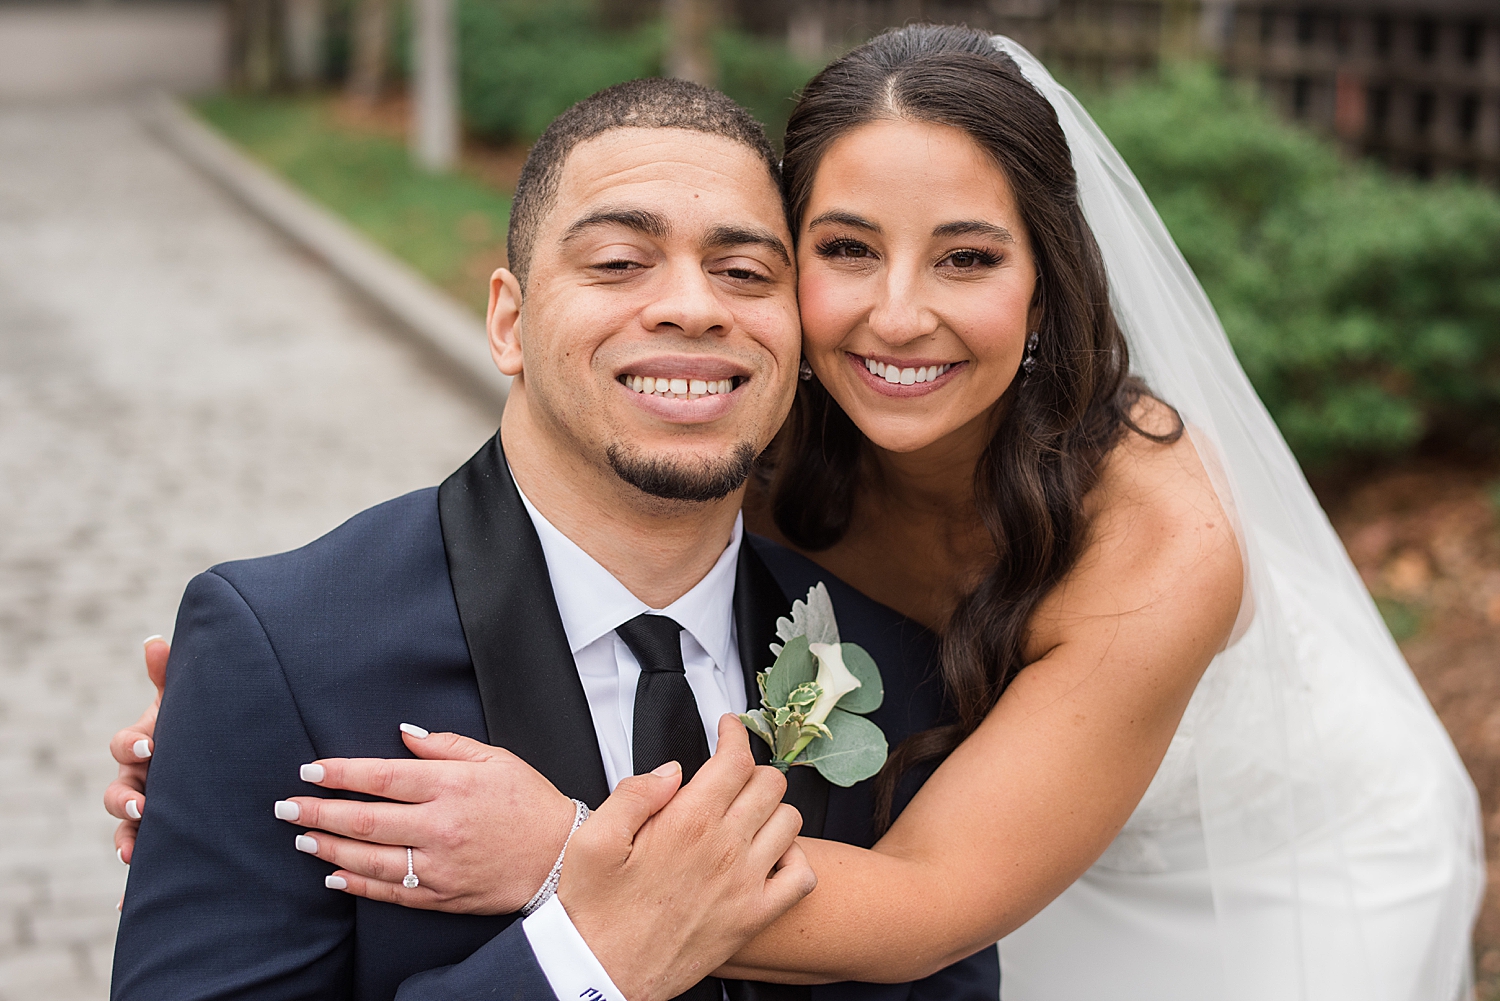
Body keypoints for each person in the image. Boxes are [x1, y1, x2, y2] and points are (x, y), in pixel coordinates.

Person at [111, 26, 1485, 1001]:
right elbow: (547, 503)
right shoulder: (756, 406)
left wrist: (571, 861)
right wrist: (256, 737)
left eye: (967, 256)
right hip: (957, 872)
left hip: (1275, 867)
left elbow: (936, 906)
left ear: (1048, 288)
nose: (896, 312)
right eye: (842, 251)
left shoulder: (1156, 538)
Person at [106, 77, 1001, 1001]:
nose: (693, 306)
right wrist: (587, 961)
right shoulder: (288, 652)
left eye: (745, 272)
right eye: (619, 262)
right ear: (509, 321)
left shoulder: (898, 667)